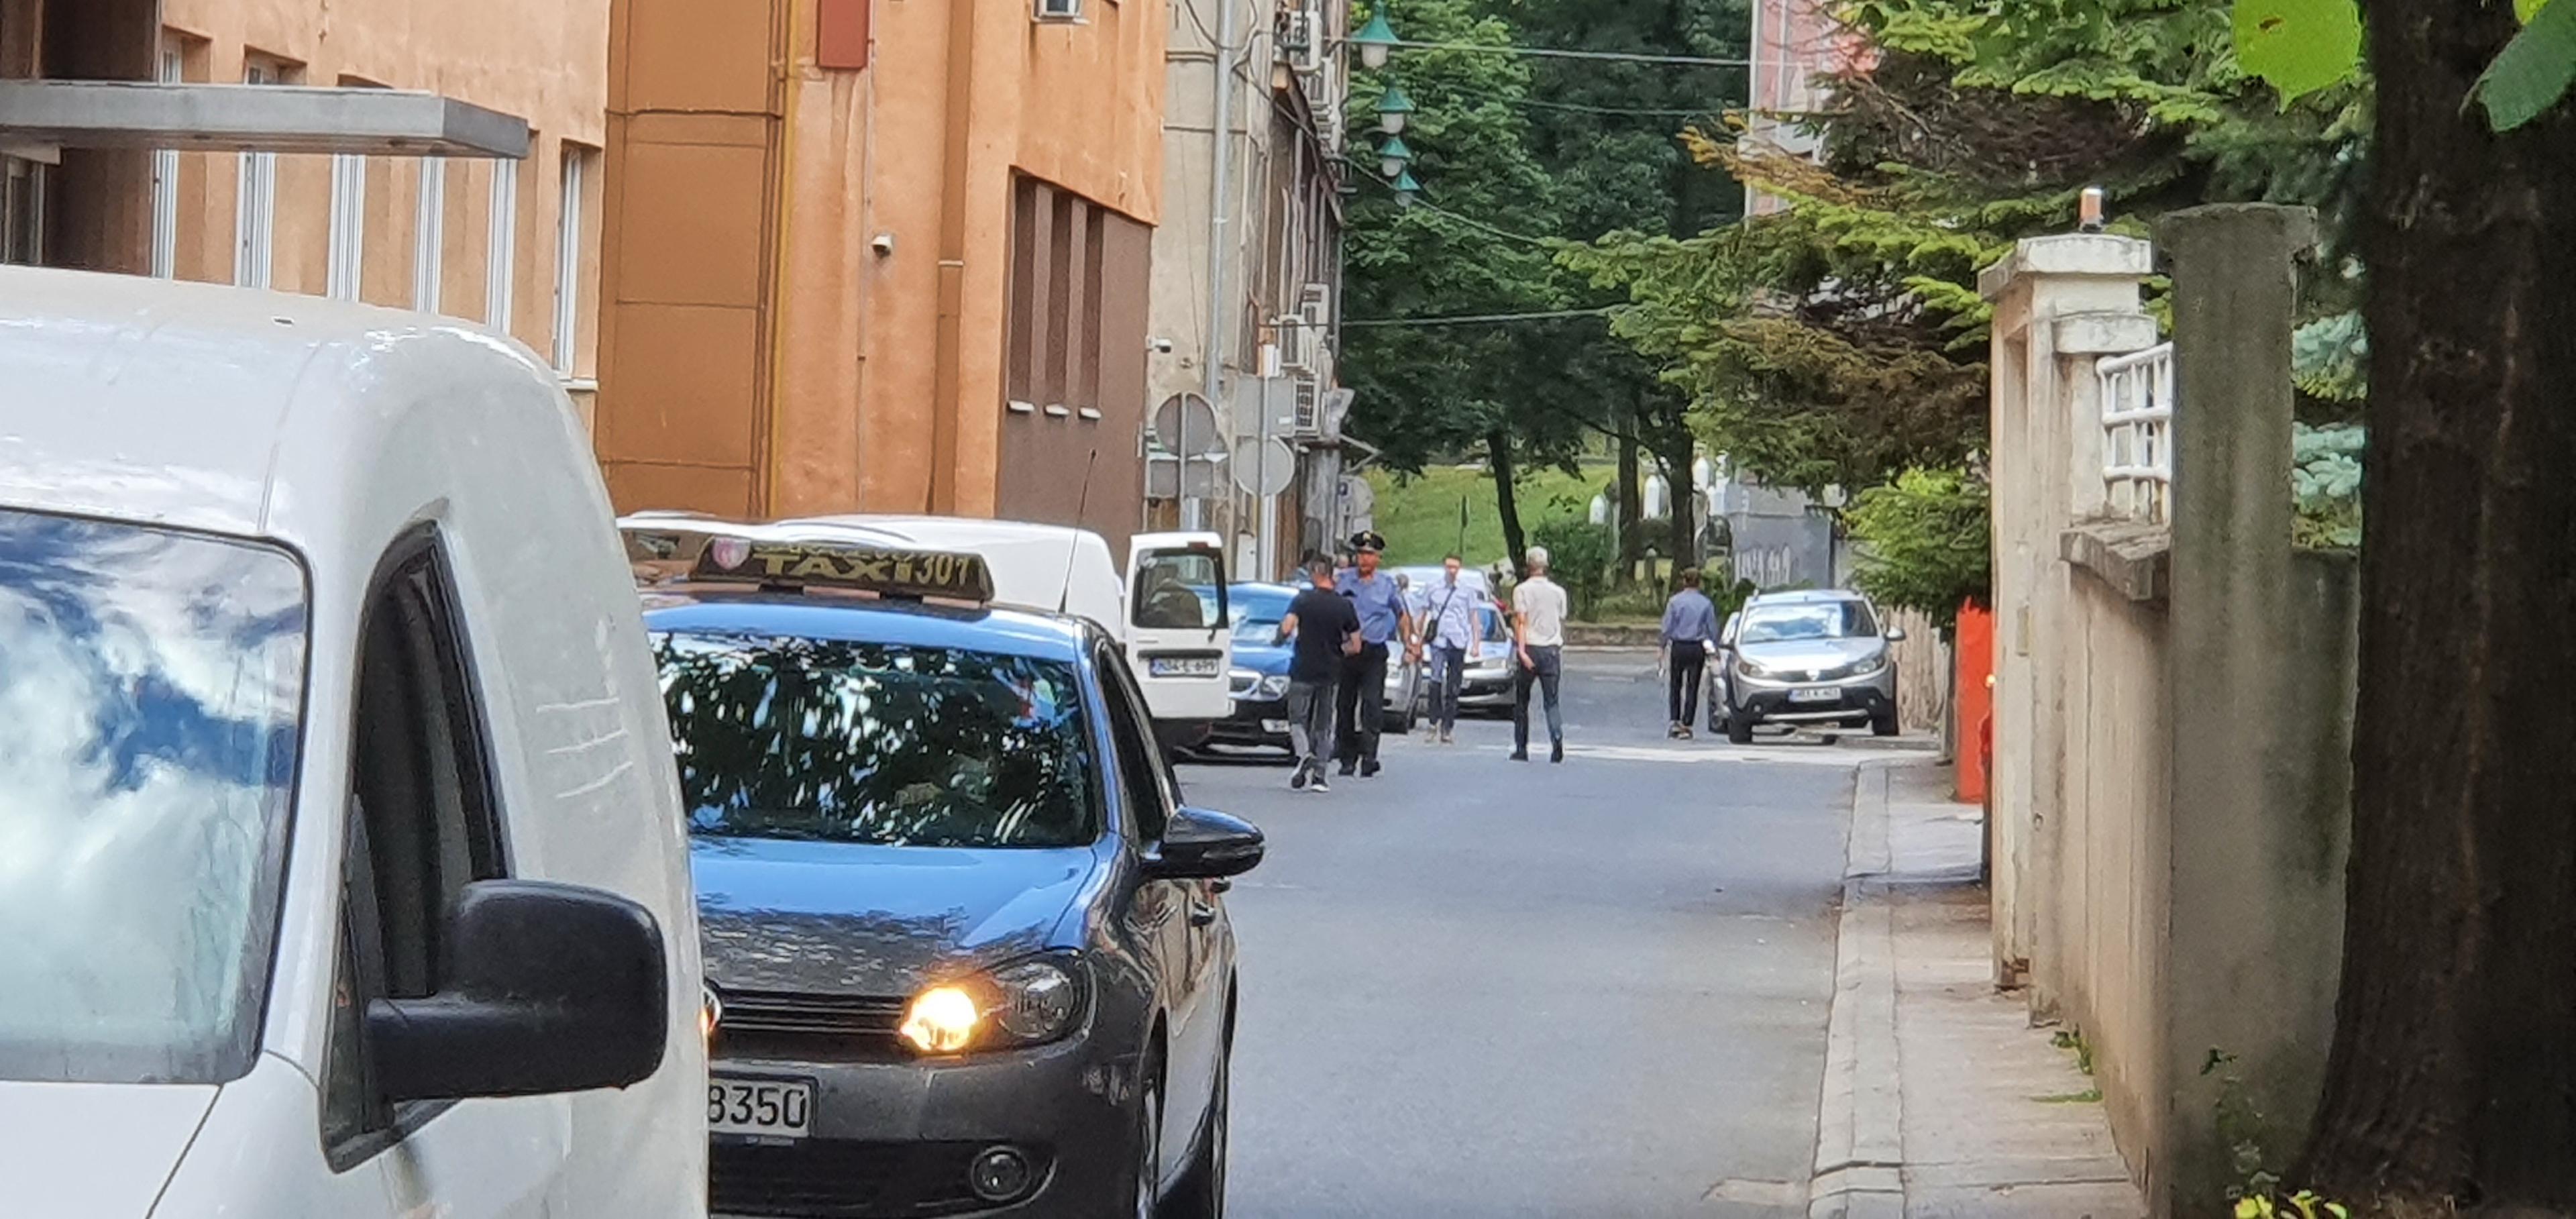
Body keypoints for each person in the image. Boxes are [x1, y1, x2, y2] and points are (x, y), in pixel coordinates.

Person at [1333, 531, 1419, 778]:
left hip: (1374, 651)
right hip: (1348, 651)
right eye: (1360, 554)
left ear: (1378, 558)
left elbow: (1402, 615)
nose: (1364, 559)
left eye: (1369, 554)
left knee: (1372, 706)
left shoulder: (1387, 584)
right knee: (1345, 705)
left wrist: (1408, 644)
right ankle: (1347, 758)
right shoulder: (1344, 581)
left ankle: (1369, 757)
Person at [1277, 555, 1360, 792]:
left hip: (1303, 668)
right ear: (1331, 574)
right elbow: (1356, 645)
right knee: (1324, 724)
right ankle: (1320, 777)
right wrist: (1337, 651)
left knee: (1297, 719)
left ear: (1314, 573)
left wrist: (1279, 638)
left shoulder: (1302, 600)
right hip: (1330, 671)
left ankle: (1304, 755)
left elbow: (1287, 627)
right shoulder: (1344, 605)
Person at [1511, 545, 1571, 762]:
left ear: (1529, 566)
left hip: (1531, 647)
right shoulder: (1558, 592)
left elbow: (1521, 620)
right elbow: (1561, 618)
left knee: (1522, 702)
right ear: (1546, 567)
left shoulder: (1522, 590)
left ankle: (1521, 747)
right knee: (1552, 702)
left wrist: (1521, 650)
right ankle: (1557, 742)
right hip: (1551, 650)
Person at [1418, 553, 1480, 744]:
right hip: (1439, 641)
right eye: (1449, 567)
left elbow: (1474, 618)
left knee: (1454, 686)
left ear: (1459, 569)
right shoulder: (1433, 588)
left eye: (1455, 567)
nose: (1452, 571)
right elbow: (1423, 613)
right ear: (1444, 568)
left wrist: (1476, 643)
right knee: (1435, 682)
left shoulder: (1466, 591)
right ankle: (1433, 723)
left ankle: (1448, 727)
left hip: (1458, 641)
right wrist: (1417, 639)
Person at [1659, 568, 1721, 738]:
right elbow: (1712, 629)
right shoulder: (1706, 603)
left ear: (1684, 582)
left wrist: (1662, 646)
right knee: (1693, 686)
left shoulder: (1675, 602)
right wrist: (1716, 648)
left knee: (1676, 684)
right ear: (1699, 582)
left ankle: (1675, 720)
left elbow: (1667, 627)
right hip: (1696, 647)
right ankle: (1688, 723)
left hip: (1679, 646)